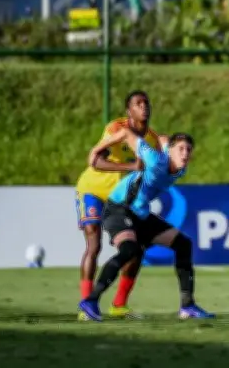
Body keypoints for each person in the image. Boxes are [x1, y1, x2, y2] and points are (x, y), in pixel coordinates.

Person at [77, 130, 213, 322]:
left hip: (139, 213)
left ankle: (187, 306)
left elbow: (165, 139)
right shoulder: (155, 159)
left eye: (189, 150)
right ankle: (90, 301)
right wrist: (97, 149)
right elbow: (125, 133)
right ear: (170, 151)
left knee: (184, 244)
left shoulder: (180, 167)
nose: (185, 153)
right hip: (119, 209)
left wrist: (164, 140)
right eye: (181, 149)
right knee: (129, 250)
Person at [74, 90, 159, 320]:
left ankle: (119, 304)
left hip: (120, 199)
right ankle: (86, 305)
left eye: (146, 103)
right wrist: (130, 168)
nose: (144, 107)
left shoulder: (151, 139)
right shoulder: (116, 129)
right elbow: (96, 161)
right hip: (93, 189)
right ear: (128, 111)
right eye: (138, 104)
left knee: (135, 249)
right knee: (94, 244)